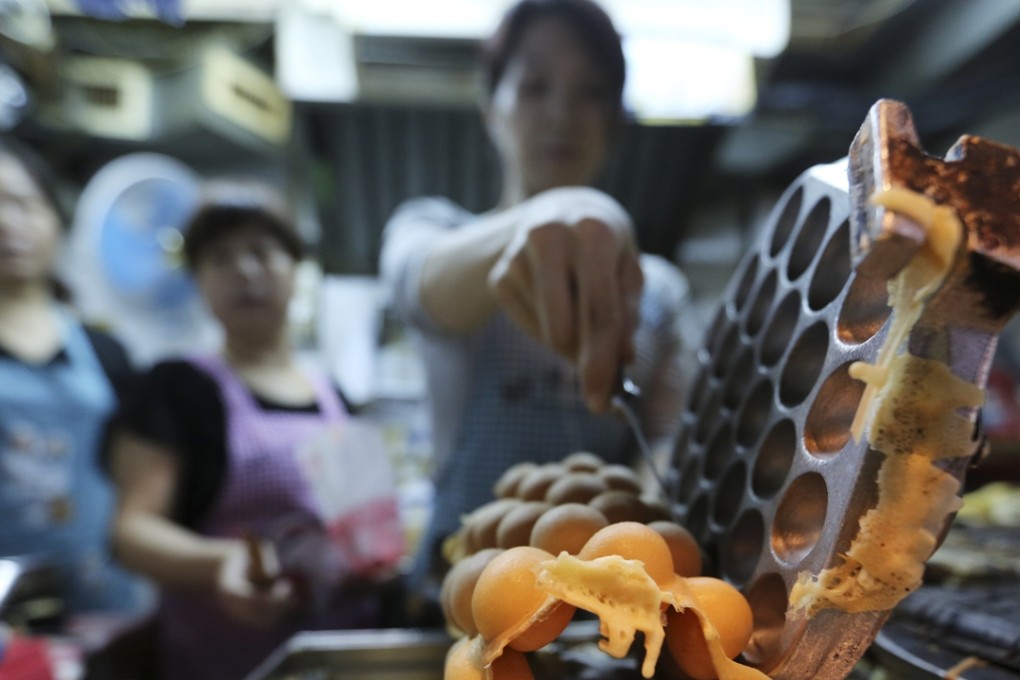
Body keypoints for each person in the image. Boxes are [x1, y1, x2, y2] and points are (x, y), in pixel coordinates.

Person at [380, 0, 693, 612]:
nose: (561, 115)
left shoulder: (657, 289)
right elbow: (421, 290)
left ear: (613, 121)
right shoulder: (435, 230)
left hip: (601, 600)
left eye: (590, 93)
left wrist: (628, 503)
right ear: (490, 108)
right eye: (534, 86)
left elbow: (670, 436)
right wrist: (561, 212)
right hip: (456, 586)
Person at [106, 181, 401, 680]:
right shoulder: (177, 389)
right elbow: (132, 532)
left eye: (262, 253)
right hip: (224, 663)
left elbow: (370, 538)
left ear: (296, 269)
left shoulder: (334, 394)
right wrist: (223, 562)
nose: (244, 271)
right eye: (220, 258)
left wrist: (380, 561)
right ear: (197, 279)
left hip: (339, 658)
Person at [0, 137, 147, 619]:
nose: (8, 224)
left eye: (23, 204)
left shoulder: (106, 352)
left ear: (57, 222)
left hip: (109, 610)